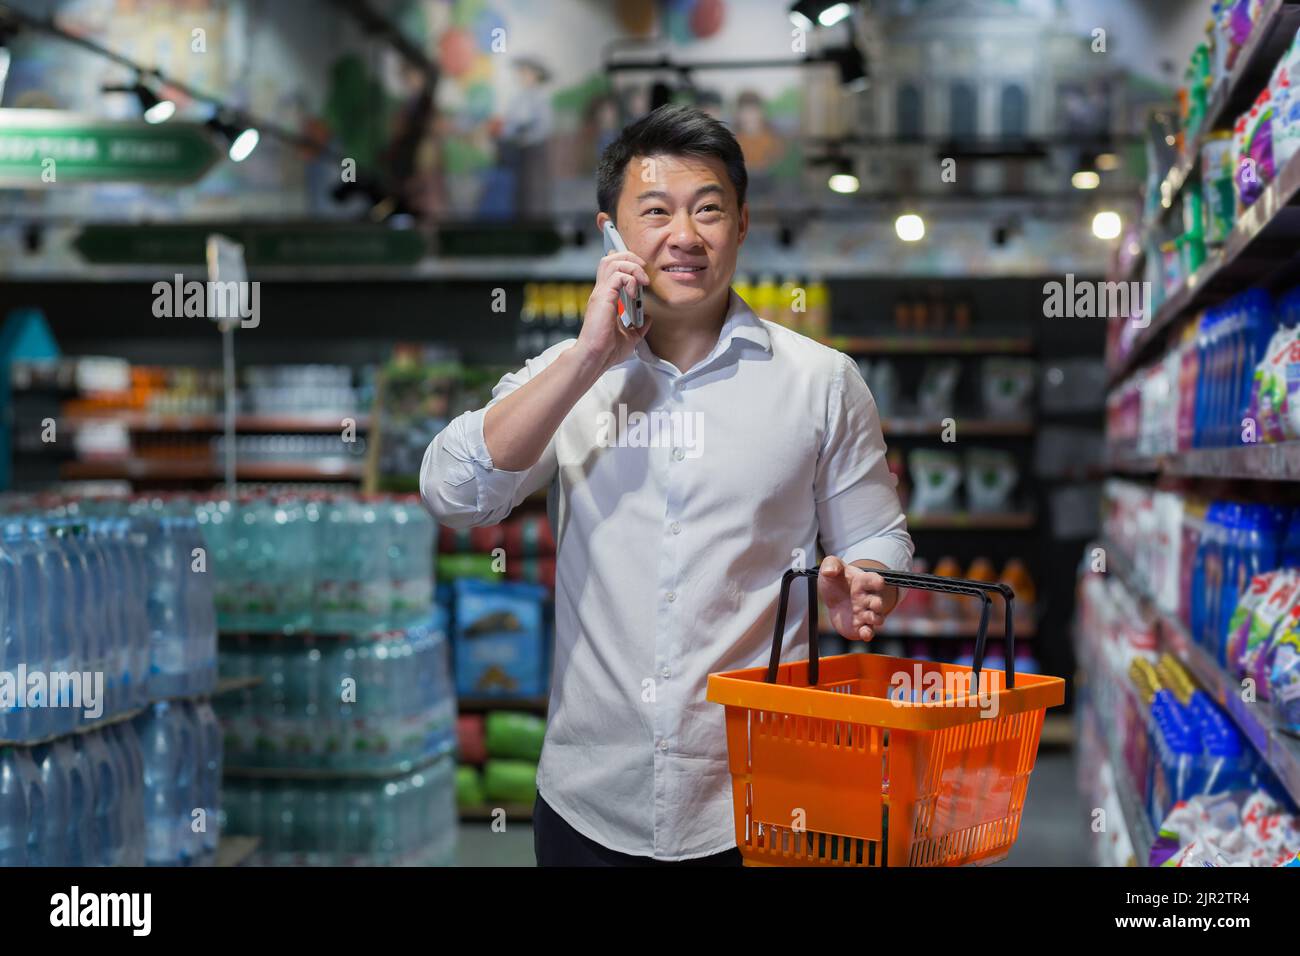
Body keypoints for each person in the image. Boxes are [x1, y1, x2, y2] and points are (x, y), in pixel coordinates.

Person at [421, 104, 913, 866]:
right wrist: (588, 358)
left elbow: (876, 535)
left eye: (708, 210)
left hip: (761, 800)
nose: (684, 236)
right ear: (610, 233)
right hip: (590, 799)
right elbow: (453, 496)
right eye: (655, 211)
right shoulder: (570, 374)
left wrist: (871, 578)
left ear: (742, 225)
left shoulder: (821, 381)